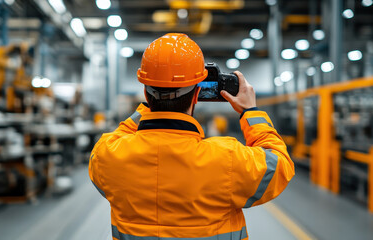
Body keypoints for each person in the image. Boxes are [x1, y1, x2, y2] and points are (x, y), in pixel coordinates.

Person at [89, 33, 294, 239]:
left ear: (145, 93)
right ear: (196, 94)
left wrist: (150, 106)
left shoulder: (107, 155)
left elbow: (120, 134)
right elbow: (280, 164)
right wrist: (250, 111)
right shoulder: (228, 159)